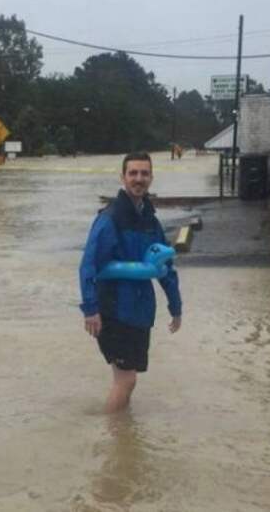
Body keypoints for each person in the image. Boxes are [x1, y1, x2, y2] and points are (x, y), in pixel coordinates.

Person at [79, 152, 182, 413]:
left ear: (151, 177)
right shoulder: (110, 218)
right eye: (133, 173)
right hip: (113, 308)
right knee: (127, 379)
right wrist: (90, 309)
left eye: (144, 173)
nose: (139, 179)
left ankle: (122, 434)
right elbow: (88, 264)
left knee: (126, 379)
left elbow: (164, 265)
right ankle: (116, 445)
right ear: (123, 177)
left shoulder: (151, 220)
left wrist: (175, 305)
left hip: (140, 310)